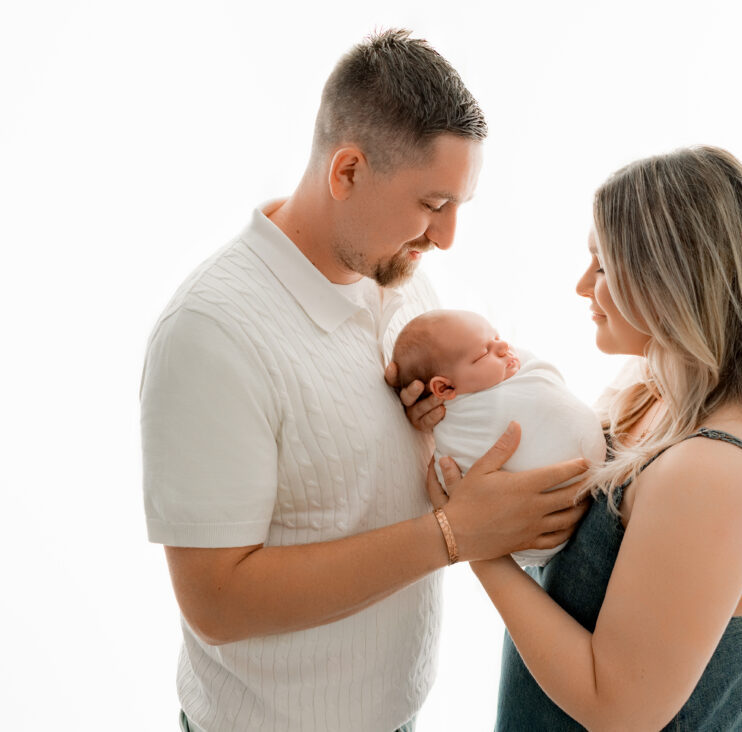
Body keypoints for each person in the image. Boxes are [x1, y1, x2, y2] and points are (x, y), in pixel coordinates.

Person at [139, 29, 586, 732]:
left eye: (460, 207)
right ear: (346, 171)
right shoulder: (213, 335)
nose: (446, 238)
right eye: (433, 205)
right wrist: (453, 535)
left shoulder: (403, 284)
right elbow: (216, 603)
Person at [424, 146, 742, 730]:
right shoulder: (649, 390)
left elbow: (617, 708)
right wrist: (447, 405)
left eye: (604, 264)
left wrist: (478, 546)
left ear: (671, 279)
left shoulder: (713, 473)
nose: (583, 285)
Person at [392, 309, 606, 566]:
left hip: (591, 499)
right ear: (445, 388)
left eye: (497, 337)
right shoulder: (459, 425)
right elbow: (455, 486)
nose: (504, 346)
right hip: (541, 538)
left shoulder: (512, 372)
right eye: (484, 352)